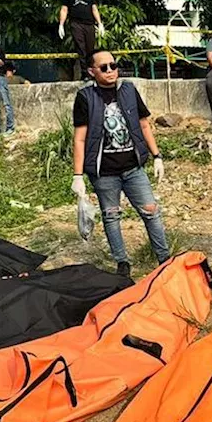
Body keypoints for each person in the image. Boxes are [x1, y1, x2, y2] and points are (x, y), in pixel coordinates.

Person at [71, 49, 169, 279]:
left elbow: (144, 125)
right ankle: (122, 263)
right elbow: (80, 138)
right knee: (111, 215)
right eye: (103, 67)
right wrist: (77, 175)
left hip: (133, 168)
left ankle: (164, 258)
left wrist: (157, 156)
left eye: (113, 65)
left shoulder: (128, 91)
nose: (110, 71)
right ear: (91, 71)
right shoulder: (85, 97)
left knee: (151, 211)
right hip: (104, 173)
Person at [58, 0, 105, 77]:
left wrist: (100, 23)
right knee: (80, 47)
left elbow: (94, 8)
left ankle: (92, 72)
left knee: (90, 48)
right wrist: (61, 24)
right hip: (76, 23)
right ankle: (85, 73)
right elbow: (64, 9)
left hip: (89, 24)